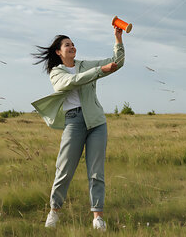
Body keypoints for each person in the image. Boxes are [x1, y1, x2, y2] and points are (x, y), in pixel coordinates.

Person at [31, 26, 124, 231]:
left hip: (97, 122)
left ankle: (98, 217)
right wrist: (100, 71)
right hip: (73, 121)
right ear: (58, 52)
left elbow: (117, 63)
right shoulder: (56, 72)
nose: (72, 47)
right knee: (64, 169)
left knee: (96, 171)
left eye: (73, 44)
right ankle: (54, 212)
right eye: (67, 45)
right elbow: (71, 82)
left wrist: (118, 39)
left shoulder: (84, 65)